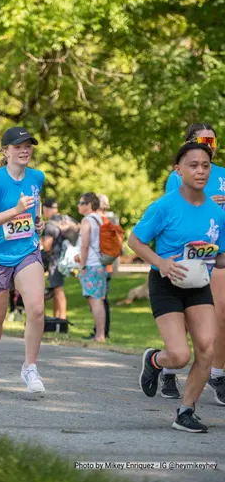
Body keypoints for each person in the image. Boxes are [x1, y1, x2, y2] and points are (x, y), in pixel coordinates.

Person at [128, 141, 225, 433]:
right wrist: (162, 263)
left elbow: (220, 257)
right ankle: (155, 360)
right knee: (180, 356)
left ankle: (185, 411)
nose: (200, 171)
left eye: (205, 165)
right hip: (166, 283)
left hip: (199, 285)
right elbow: (134, 241)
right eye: (193, 165)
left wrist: (214, 256)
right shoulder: (164, 207)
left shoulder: (216, 212)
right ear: (178, 169)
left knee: (207, 348)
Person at [0, 126, 46, 393]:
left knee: (37, 309)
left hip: (26, 250)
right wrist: (15, 210)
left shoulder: (37, 177)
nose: (24, 150)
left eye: (28, 146)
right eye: (18, 146)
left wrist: (37, 221)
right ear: (5, 151)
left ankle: (30, 368)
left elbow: (34, 207)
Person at [164, 123, 225, 405]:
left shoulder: (221, 174)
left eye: (213, 141)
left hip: (217, 249)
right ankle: (167, 368)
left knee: (221, 314)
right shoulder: (179, 175)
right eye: (203, 140)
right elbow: (171, 208)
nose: (210, 145)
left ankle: (217, 373)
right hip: (188, 252)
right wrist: (204, 202)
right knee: (189, 316)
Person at [77, 192, 107, 342]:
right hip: (100, 264)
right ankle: (100, 333)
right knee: (99, 300)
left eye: (81, 203)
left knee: (94, 301)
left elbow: (85, 245)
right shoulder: (100, 219)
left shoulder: (87, 221)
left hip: (91, 264)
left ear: (89, 205)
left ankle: (100, 335)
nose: (79, 206)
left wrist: (82, 265)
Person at [41, 198, 67, 320]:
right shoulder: (62, 220)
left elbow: (47, 246)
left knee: (58, 289)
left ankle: (61, 319)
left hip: (55, 260)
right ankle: (57, 318)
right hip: (62, 259)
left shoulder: (50, 224)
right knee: (57, 288)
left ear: (46, 209)